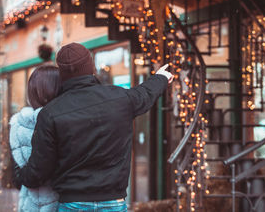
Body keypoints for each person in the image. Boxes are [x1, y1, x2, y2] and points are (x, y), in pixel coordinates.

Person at [14, 42, 173, 211]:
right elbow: (146, 93)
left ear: (62, 73)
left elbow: (39, 169)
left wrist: (20, 176)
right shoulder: (121, 98)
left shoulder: (50, 113)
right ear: (91, 67)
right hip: (114, 201)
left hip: (72, 203)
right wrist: (161, 77)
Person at [9, 65, 62, 212]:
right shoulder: (62, 121)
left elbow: (16, 178)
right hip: (64, 203)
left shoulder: (18, 124)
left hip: (30, 204)